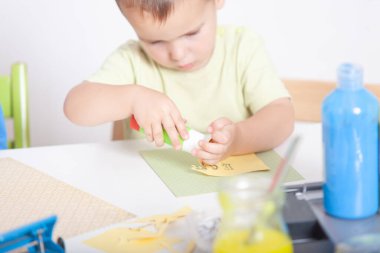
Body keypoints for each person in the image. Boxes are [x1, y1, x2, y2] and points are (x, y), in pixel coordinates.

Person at [64, 0, 294, 165]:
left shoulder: (242, 47)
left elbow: (282, 118)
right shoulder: (132, 60)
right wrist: (132, 98)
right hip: (150, 198)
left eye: (191, 33)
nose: (178, 53)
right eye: (155, 41)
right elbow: (75, 108)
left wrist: (237, 141)